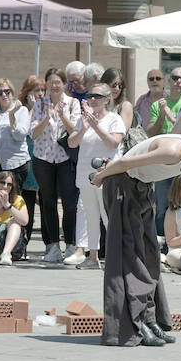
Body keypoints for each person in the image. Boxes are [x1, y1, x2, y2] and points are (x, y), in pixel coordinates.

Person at [90, 134, 181, 347]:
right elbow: (123, 163)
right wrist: (100, 177)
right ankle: (133, 325)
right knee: (130, 257)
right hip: (123, 186)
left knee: (150, 256)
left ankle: (150, 319)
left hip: (141, 190)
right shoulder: (174, 150)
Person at [68, 82, 124, 269]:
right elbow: (72, 143)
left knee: (109, 217)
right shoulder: (83, 119)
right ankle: (93, 257)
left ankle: (117, 257)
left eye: (97, 97)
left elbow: (113, 144)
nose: (92, 100)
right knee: (91, 216)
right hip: (85, 174)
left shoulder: (114, 119)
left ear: (107, 100)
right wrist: (84, 126)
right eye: (90, 96)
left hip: (106, 174)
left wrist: (96, 126)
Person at [30, 68, 82, 263]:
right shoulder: (40, 104)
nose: (54, 85)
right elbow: (33, 134)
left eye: (58, 81)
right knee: (48, 202)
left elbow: (76, 131)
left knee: (70, 203)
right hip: (43, 158)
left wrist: (62, 115)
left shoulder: (73, 103)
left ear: (64, 84)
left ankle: (70, 244)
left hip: (65, 158)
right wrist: (46, 116)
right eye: (51, 81)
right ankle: (52, 245)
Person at [148, 66, 181, 237]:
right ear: (169, 80)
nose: (178, 81)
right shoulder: (158, 105)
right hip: (162, 162)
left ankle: (180, 241)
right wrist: (162, 116)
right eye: (175, 77)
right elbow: (150, 132)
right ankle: (159, 245)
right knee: (162, 206)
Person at [0, 78, 31, 185]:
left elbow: (19, 135)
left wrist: (11, 115)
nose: (4, 95)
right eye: (0, 93)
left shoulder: (21, 110)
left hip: (15, 164)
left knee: (13, 199)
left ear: (12, 93)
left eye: (7, 91)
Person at [17, 75, 46, 238]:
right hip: (26, 160)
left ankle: (49, 243)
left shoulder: (46, 108)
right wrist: (33, 108)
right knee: (26, 204)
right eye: (37, 90)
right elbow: (28, 132)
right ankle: (23, 242)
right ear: (28, 92)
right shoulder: (21, 109)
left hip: (43, 158)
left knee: (44, 203)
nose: (41, 93)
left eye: (43, 90)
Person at [100, 67, 134, 132]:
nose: (117, 89)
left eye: (120, 86)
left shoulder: (125, 106)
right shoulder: (98, 104)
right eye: (114, 85)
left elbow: (122, 132)